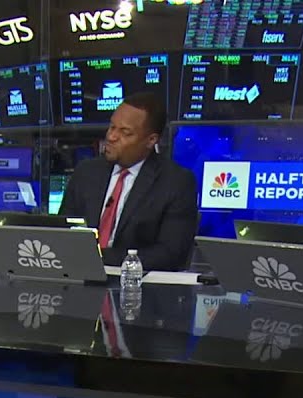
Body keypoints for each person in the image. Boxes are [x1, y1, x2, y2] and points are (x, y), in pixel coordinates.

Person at [58, 92, 199, 271]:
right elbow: (61, 231)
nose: (111, 137)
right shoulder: (86, 172)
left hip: (135, 280)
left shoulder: (176, 182)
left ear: (151, 140)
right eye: (112, 127)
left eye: (125, 132)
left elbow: (170, 254)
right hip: (76, 274)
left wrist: (99, 257)